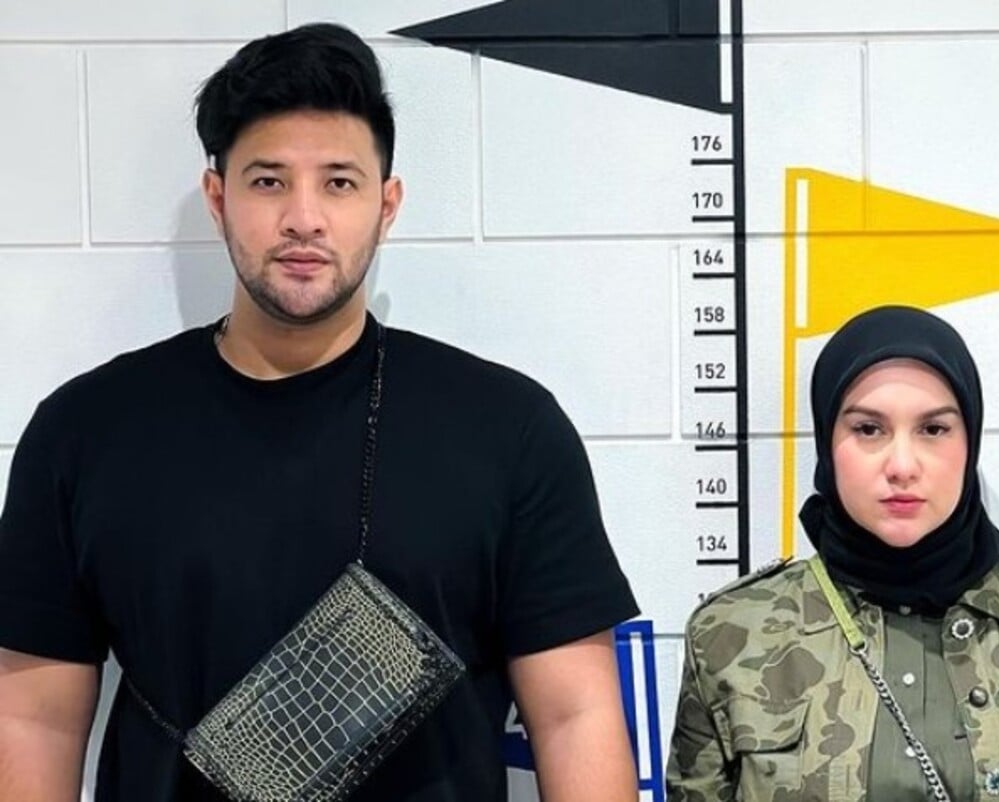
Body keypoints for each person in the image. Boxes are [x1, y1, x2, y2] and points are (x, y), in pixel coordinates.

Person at [0, 23, 640, 802]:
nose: (303, 217)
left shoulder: (508, 429)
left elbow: (575, 716)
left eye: (339, 182)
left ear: (386, 204)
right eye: (268, 181)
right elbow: (34, 720)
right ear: (218, 198)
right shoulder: (85, 431)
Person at [666, 305, 999, 801]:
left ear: (970, 441)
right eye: (869, 429)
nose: (903, 465)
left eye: (933, 429)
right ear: (827, 441)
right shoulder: (734, 635)